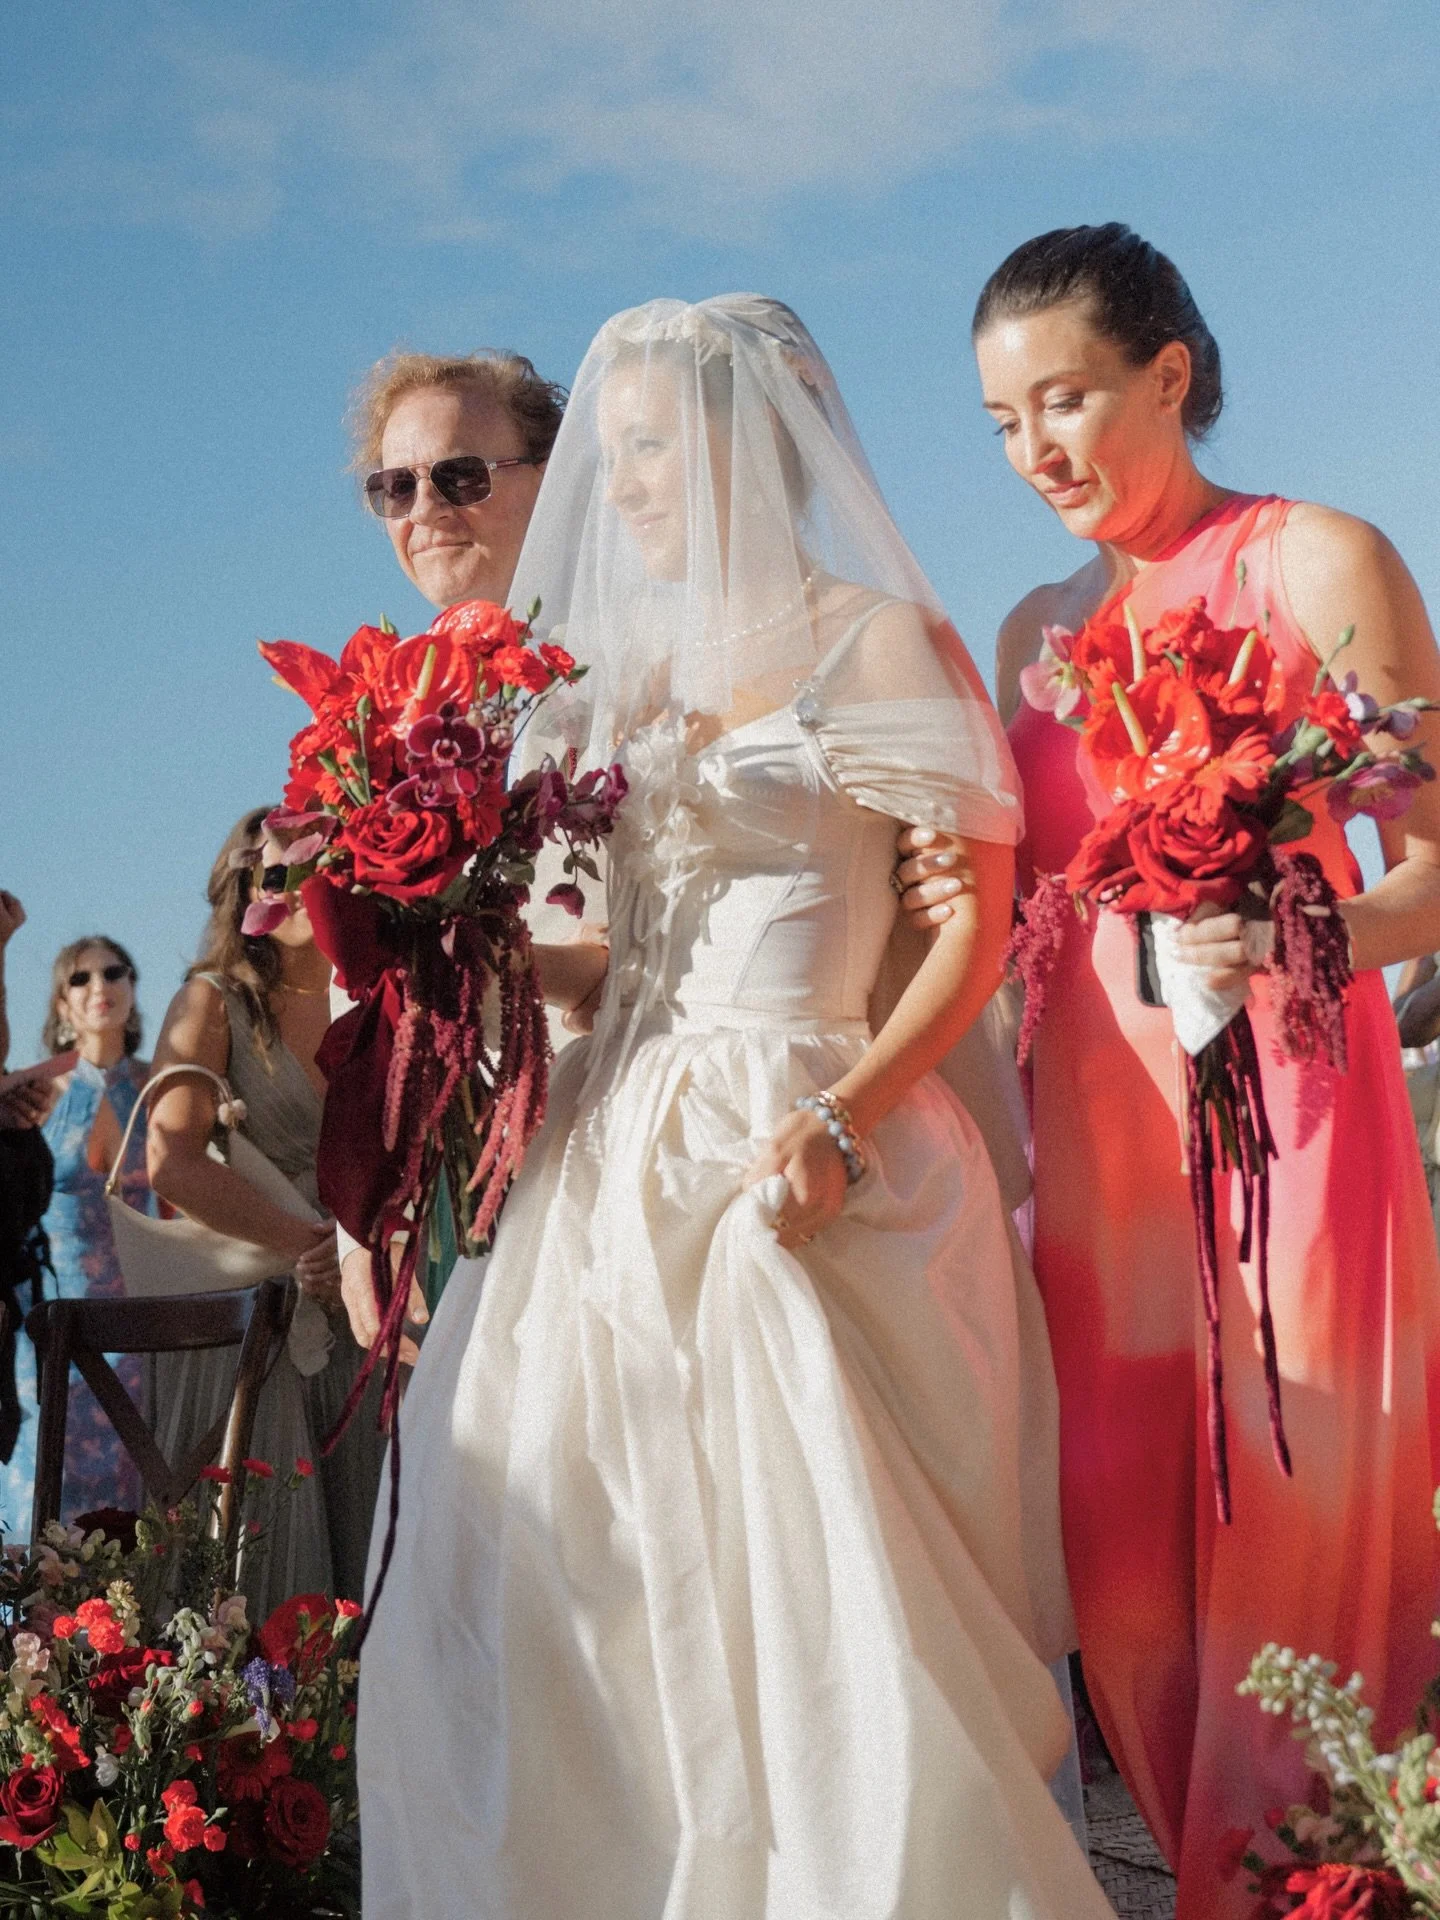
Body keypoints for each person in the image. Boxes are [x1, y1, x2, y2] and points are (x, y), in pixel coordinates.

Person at [355, 295, 1113, 1919]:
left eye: (650, 445)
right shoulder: (607, 684)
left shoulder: (873, 639)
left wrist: (845, 1123)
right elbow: (594, 963)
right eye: (610, 449)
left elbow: (969, 927)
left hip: (803, 1122)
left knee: (816, 1599)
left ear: (746, 441)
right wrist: (445, 935)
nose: (619, 481)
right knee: (580, 1591)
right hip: (607, 1153)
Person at [897, 224, 1440, 1918]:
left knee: (1301, 1550)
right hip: (1103, 1166)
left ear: (1169, 375)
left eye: (1064, 399)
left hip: (1296, 1131)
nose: (1035, 449)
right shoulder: (1030, 632)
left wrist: (1307, 934)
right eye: (1001, 423)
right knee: (1125, 1586)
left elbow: (1437, 854)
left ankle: (1304, 1895)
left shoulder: (1316, 557)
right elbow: (1018, 913)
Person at [146, 809, 385, 1608]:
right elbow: (170, 1160)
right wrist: (304, 1245)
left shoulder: (381, 997)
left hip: (369, 1313)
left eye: (307, 868)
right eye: (268, 873)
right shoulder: (210, 1002)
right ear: (242, 888)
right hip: (260, 1326)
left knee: (374, 1557)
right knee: (266, 1578)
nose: (285, 888)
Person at [0, 937, 158, 1531]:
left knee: (137, 1495)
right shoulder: (33, 1093)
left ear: (133, 988)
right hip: (50, 1325)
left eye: (114, 971)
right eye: (80, 978)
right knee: (42, 1492)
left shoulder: (163, 1087)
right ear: (62, 1005)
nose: (100, 986)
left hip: (143, 1326)